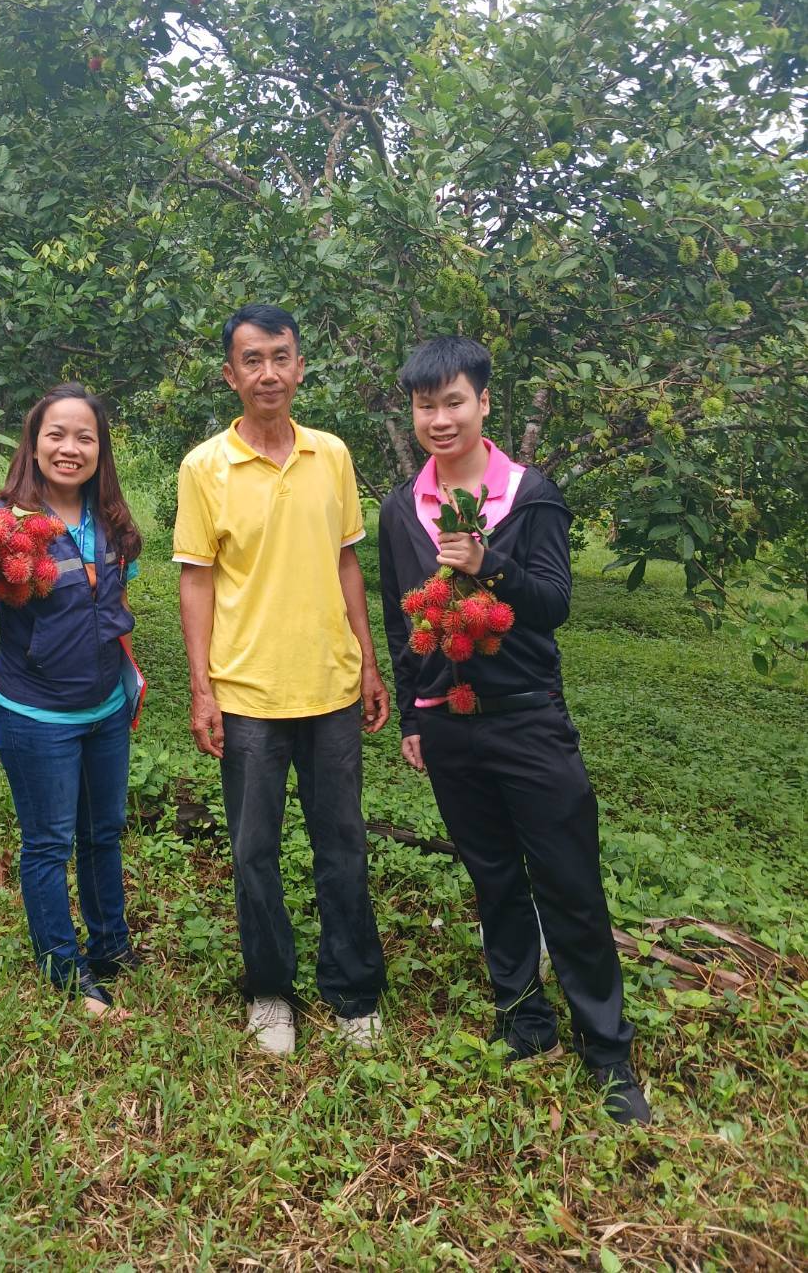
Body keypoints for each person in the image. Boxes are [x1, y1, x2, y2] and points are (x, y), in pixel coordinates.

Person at [377, 335, 651, 1125]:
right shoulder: (403, 508)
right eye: (426, 405)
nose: (439, 418)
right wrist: (414, 713)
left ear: (484, 402)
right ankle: (524, 1018)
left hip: (529, 717)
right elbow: (403, 624)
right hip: (451, 727)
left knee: (568, 881)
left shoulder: (530, 494)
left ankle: (607, 1050)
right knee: (493, 875)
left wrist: (485, 564)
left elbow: (554, 601)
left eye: (453, 401)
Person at [173, 303, 389, 1055]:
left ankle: (354, 989)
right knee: (253, 849)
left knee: (343, 843)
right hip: (248, 693)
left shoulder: (331, 454)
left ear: (300, 366)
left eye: (281, 357)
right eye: (252, 359)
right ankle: (270, 991)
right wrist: (202, 686)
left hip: (329, 684)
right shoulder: (205, 467)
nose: (268, 372)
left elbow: (345, 561)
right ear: (230, 374)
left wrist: (367, 658)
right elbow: (196, 581)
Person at [0, 383, 142, 1020]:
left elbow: (116, 607)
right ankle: (64, 966)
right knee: (49, 843)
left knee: (103, 833)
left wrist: (129, 673)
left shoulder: (110, 521)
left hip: (105, 708)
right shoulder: (0, 521)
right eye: (56, 433)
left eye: (85, 436)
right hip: (36, 716)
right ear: (34, 442)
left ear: (100, 450)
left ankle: (111, 946)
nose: (69, 447)